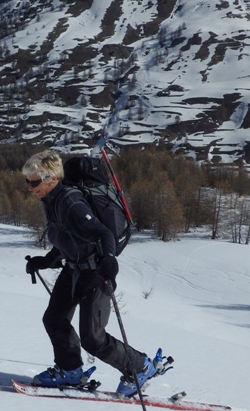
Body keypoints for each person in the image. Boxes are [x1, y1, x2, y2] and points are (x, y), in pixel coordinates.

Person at [22, 150, 163, 396]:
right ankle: (70, 371)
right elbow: (68, 237)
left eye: (33, 181)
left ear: (51, 178)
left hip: (95, 272)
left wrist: (108, 259)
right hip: (73, 268)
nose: (30, 187)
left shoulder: (70, 201)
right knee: (54, 319)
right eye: (27, 181)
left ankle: (140, 367)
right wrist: (45, 260)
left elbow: (102, 234)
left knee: (93, 338)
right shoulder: (52, 201)